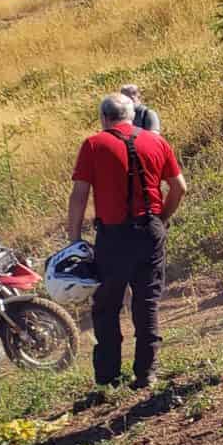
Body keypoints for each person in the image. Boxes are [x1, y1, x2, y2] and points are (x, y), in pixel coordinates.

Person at [66, 93, 187, 391]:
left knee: (107, 306)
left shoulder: (93, 144)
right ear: (132, 116)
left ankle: (108, 377)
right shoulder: (157, 142)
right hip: (150, 230)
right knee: (147, 302)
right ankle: (147, 373)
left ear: (104, 118)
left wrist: (74, 240)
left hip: (113, 237)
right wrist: (163, 218)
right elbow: (179, 187)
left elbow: (79, 196)